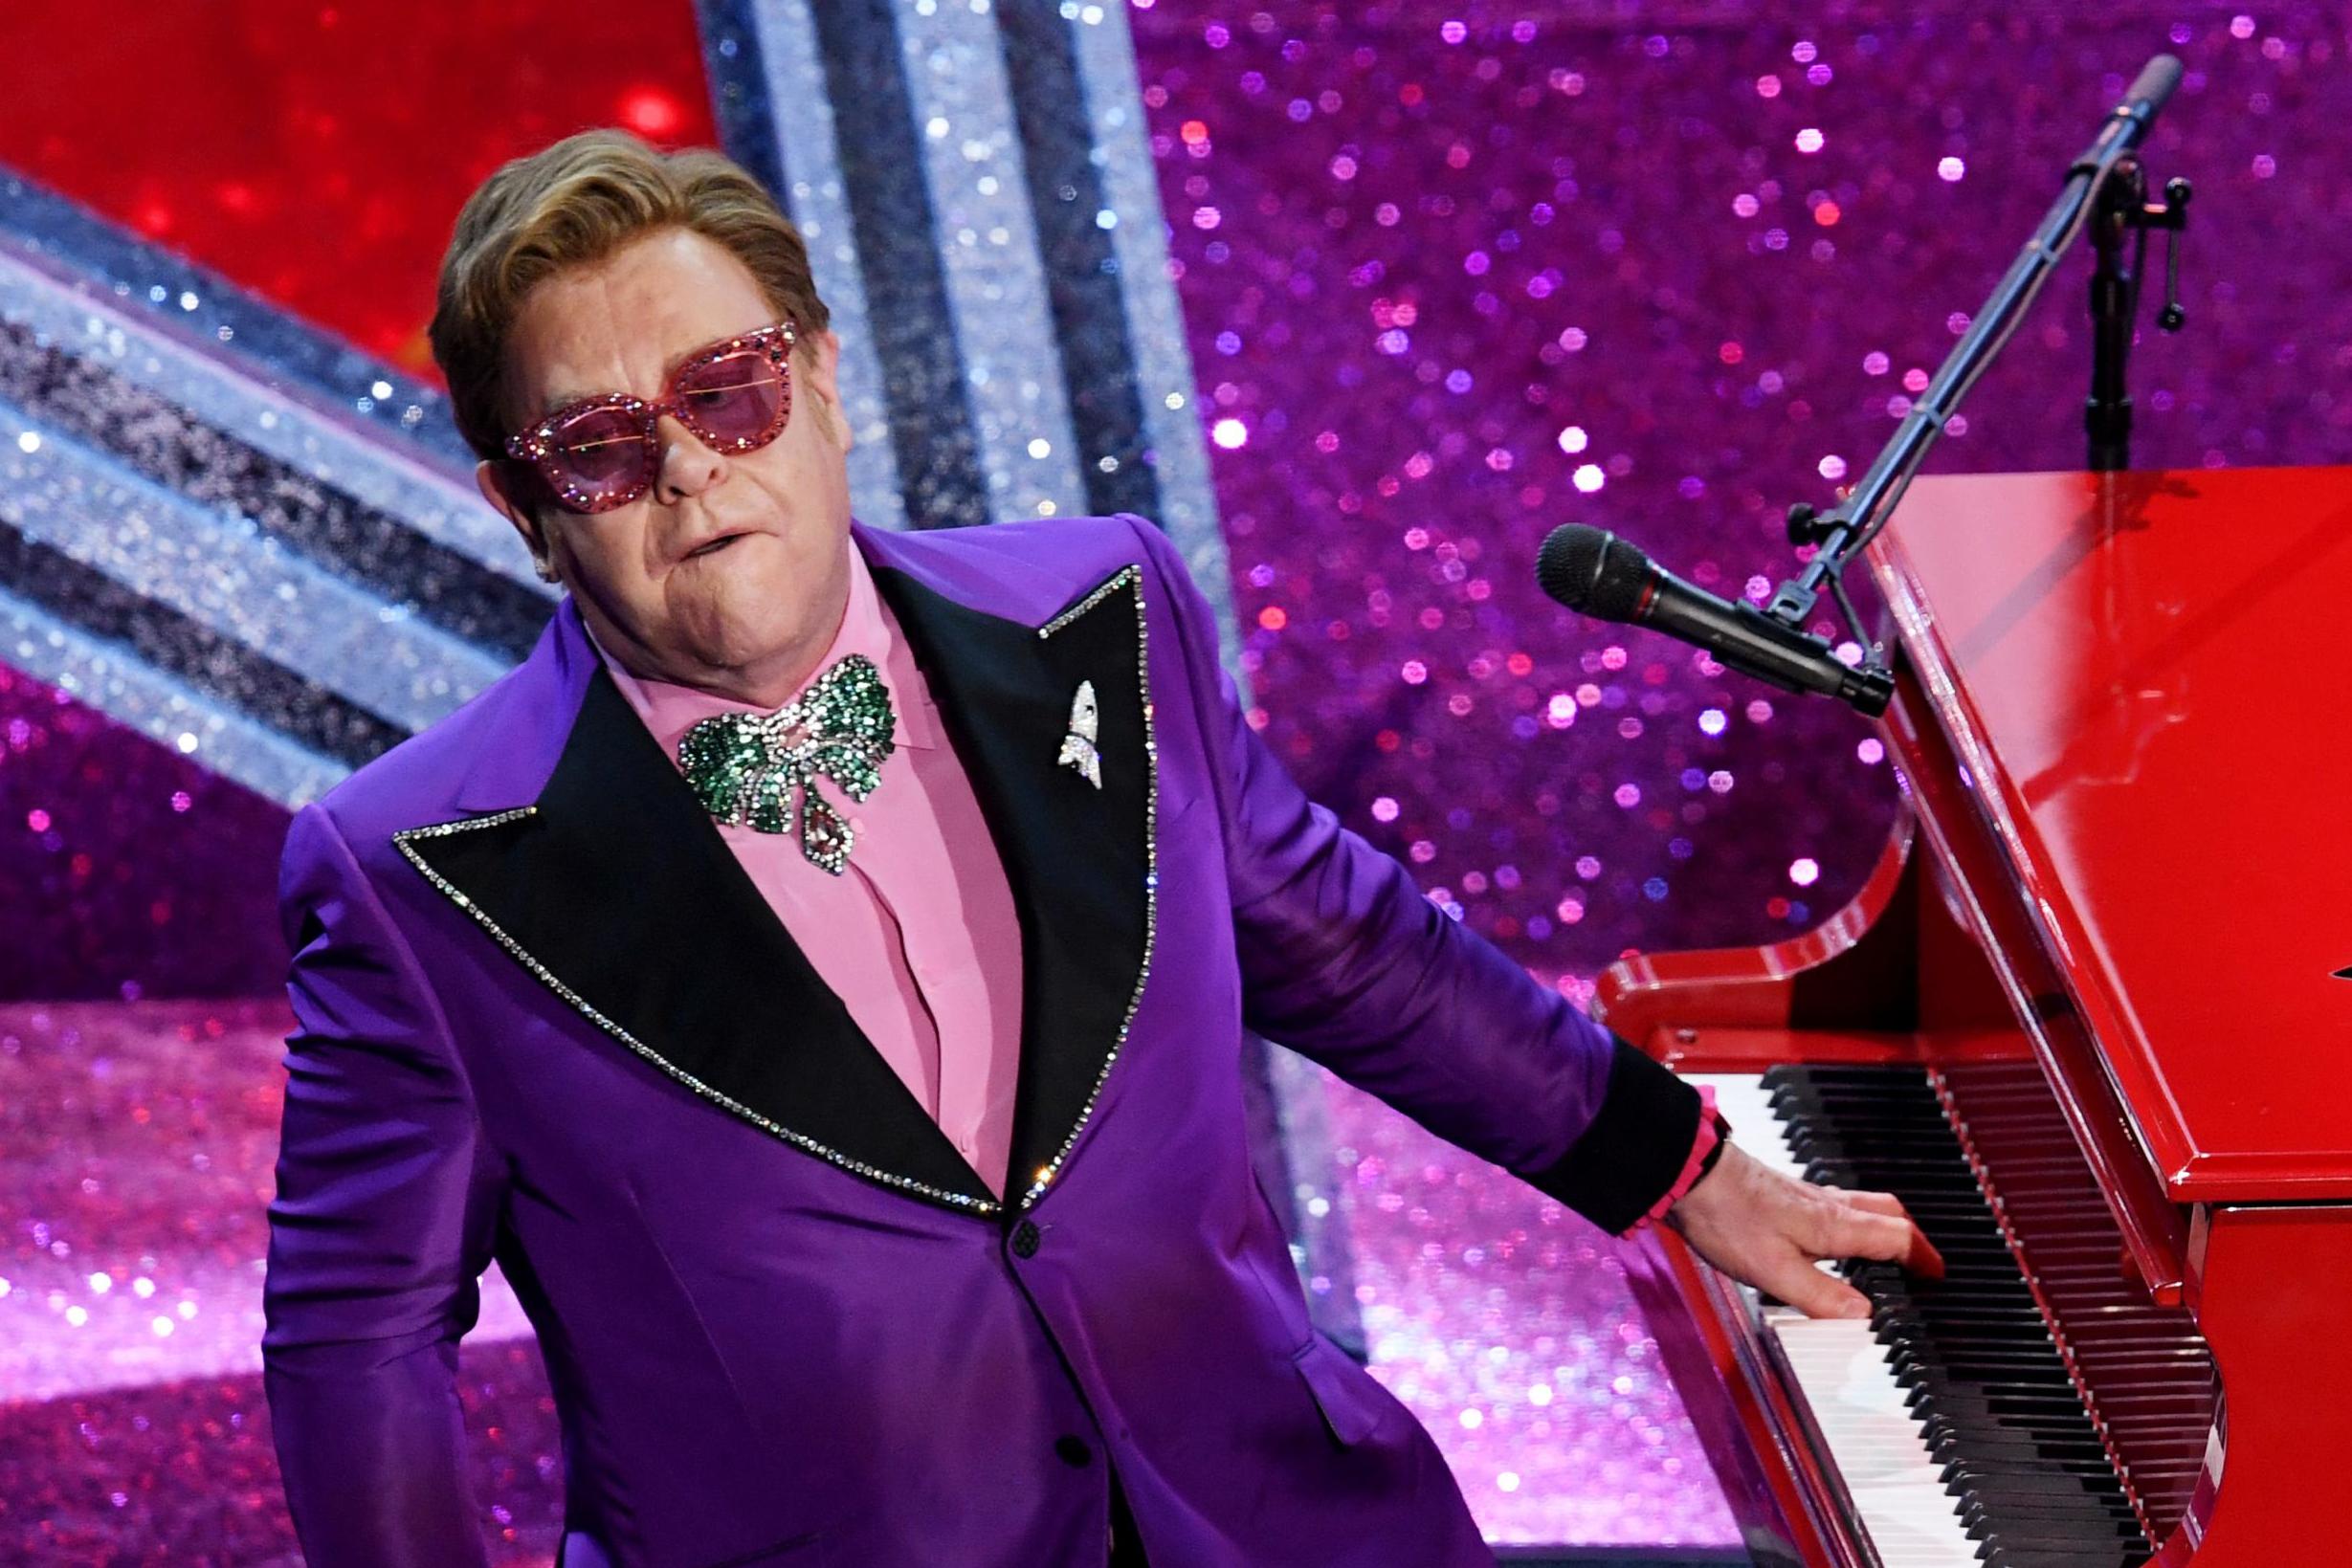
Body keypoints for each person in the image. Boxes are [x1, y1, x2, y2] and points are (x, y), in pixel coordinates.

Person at [261, 129, 1936, 1568]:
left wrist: (1676, 1166)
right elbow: (358, 1344)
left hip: (1276, 1521)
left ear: (822, 379)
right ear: (521, 502)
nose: (693, 471)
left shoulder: (1103, 613)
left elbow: (1339, 941)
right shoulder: (415, 871)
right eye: (606, 446)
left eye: (730, 390)